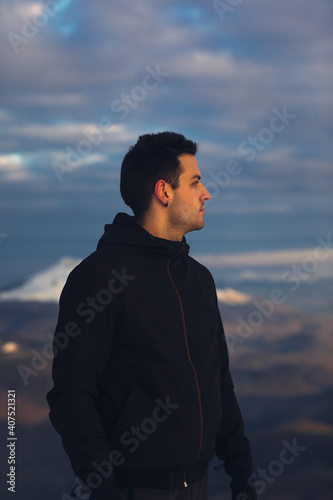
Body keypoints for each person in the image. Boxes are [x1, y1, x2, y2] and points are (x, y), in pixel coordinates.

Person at [46, 131, 257, 500]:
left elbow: (219, 382)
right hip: (134, 489)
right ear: (164, 192)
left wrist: (242, 475)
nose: (206, 193)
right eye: (195, 182)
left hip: (199, 486)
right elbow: (71, 395)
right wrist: (104, 488)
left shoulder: (199, 280)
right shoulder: (101, 277)